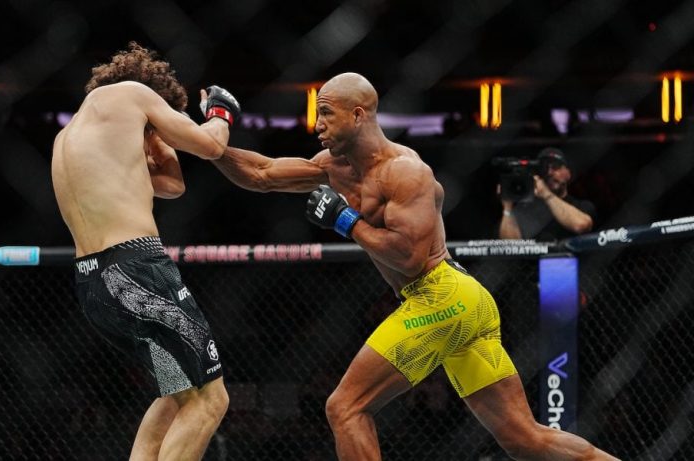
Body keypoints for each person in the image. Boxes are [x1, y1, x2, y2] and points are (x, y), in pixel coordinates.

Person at [212, 72, 618, 460]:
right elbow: (262, 173)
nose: (317, 124)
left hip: (441, 295)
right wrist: (209, 138)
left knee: (345, 407)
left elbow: (409, 257)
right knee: (524, 439)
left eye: (326, 113)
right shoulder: (333, 167)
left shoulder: (405, 172)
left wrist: (346, 221)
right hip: (457, 303)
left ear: (358, 115)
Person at [51, 42, 241, 461]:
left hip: (94, 286)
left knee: (176, 394)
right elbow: (211, 146)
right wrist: (220, 113)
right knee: (211, 399)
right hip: (138, 272)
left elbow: (173, 185)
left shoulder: (70, 137)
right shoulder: (132, 94)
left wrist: (152, 137)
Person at [499, 147, 596, 241]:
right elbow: (510, 245)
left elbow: (581, 225)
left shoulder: (581, 206)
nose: (549, 172)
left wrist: (546, 194)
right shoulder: (527, 210)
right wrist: (507, 207)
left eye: (555, 167)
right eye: (544, 168)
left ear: (568, 173)